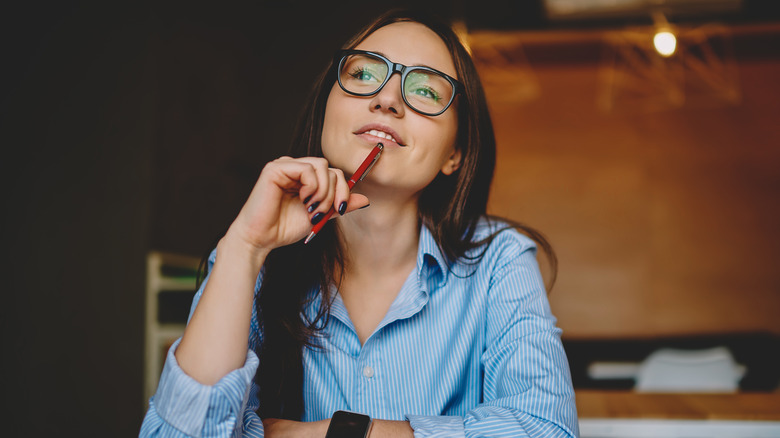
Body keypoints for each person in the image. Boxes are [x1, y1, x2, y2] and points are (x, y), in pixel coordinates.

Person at [141, 8, 578, 438]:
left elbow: (546, 430)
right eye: (364, 74)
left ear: (455, 153)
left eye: (426, 90)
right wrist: (245, 247)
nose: (387, 98)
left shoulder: (498, 257)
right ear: (325, 111)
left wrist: (330, 433)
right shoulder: (255, 253)